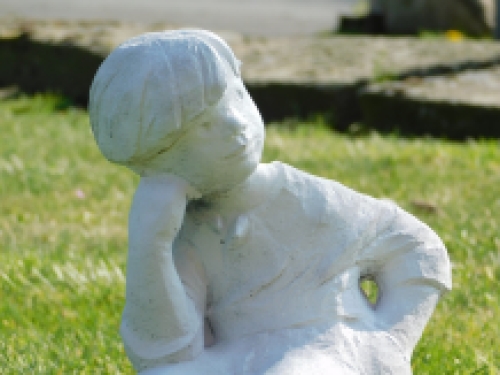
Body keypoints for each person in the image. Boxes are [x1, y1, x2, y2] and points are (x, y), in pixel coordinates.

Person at [89, 29, 451, 374]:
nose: (233, 122)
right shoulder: (187, 231)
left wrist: (389, 340)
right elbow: (168, 353)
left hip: (323, 348)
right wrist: (150, 245)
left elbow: (418, 247)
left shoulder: (309, 199)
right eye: (203, 125)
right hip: (238, 358)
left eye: (236, 97)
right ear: (154, 162)